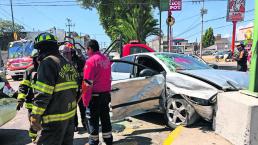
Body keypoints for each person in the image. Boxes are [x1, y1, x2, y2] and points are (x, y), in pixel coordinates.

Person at [31, 32, 79, 145]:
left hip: (53, 121)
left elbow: (43, 93)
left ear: (42, 48)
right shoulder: (67, 64)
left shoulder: (48, 63)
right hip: (69, 119)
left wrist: (35, 115)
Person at [82, 39, 112, 145]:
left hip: (95, 97)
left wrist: (85, 100)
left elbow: (87, 83)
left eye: (86, 49)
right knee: (105, 118)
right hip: (106, 95)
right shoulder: (106, 59)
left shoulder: (90, 61)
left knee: (93, 120)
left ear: (90, 49)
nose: (86, 52)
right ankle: (108, 140)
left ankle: (94, 141)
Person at [59, 42, 86, 131]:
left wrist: (82, 86)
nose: (67, 55)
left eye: (69, 53)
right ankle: (74, 125)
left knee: (82, 107)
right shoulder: (61, 64)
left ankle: (85, 123)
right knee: (72, 108)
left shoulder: (78, 61)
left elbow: (84, 75)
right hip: (70, 92)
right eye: (65, 53)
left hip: (80, 89)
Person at [16, 49, 39, 142]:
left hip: (43, 102)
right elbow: (23, 86)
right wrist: (20, 100)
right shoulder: (29, 70)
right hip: (31, 103)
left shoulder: (47, 69)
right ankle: (34, 138)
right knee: (33, 123)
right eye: (35, 58)